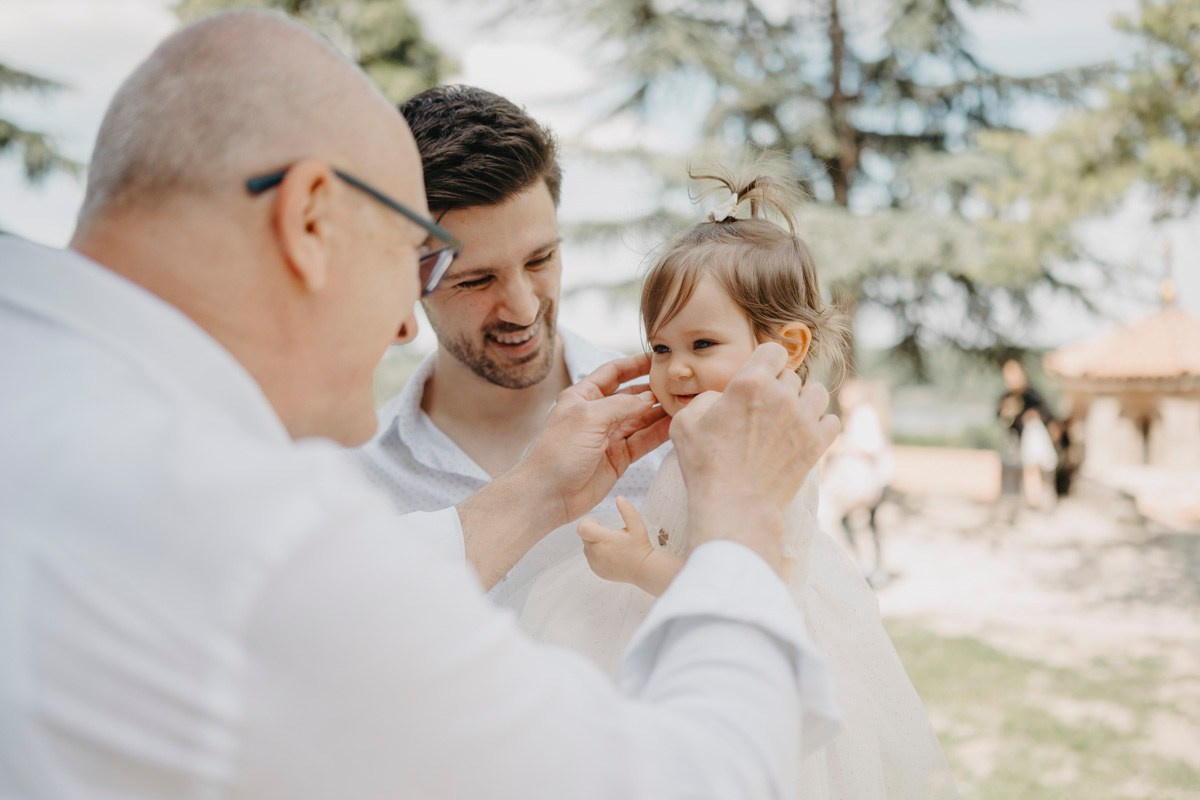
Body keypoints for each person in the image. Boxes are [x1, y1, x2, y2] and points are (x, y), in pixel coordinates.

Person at [0, 12, 847, 798]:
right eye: (424, 264)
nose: (406, 316)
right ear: (308, 220)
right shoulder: (250, 524)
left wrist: (540, 493)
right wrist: (740, 521)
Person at [520, 166, 958, 799]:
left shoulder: (769, 453)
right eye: (662, 348)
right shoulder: (704, 427)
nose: (677, 370)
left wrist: (641, 563)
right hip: (672, 630)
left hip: (743, 652)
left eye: (703, 343)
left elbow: (753, 588)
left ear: (786, 345)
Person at [357, 85, 664, 605]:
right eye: (475, 281)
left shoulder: (670, 429)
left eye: (540, 260)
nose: (522, 308)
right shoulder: (357, 479)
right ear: (407, 280)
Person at [819, 378, 894, 584]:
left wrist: (842, 445)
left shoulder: (863, 414)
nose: (842, 398)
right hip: (876, 480)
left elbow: (870, 446)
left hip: (874, 481)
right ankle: (870, 566)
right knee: (870, 524)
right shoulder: (865, 414)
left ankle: (868, 567)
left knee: (862, 523)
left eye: (846, 394)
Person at [996, 358, 1056, 517]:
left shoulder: (1033, 395)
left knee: (1039, 471)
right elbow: (1000, 416)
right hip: (1015, 443)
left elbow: (1047, 414)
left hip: (1035, 444)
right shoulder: (1007, 397)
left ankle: (1041, 503)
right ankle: (1016, 504)